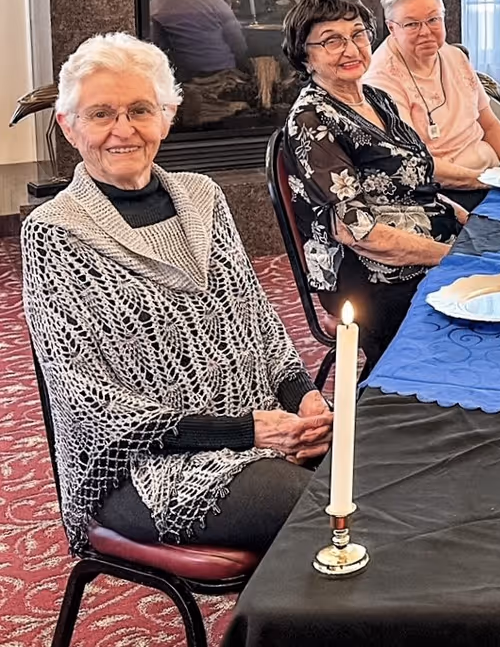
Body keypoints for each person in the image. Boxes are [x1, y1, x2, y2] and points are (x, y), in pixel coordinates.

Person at [21, 33, 331, 554]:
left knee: (386, 470)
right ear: (68, 125)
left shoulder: (203, 197)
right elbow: (93, 408)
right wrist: (247, 432)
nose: (123, 130)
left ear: (167, 116)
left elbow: (261, 324)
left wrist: (306, 398)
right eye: (100, 114)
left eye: (141, 109)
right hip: (143, 471)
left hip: (264, 430)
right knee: (330, 509)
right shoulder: (55, 233)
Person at [281, 0, 465, 371]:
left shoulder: (376, 98)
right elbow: (360, 234)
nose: (351, 48)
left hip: (427, 247)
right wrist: (458, 257)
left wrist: (468, 221)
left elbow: (418, 172)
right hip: (371, 279)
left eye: (358, 34)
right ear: (305, 56)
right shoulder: (311, 121)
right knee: (495, 299)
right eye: (332, 40)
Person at [365, 0, 500, 211]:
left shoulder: (454, 57)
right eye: (412, 24)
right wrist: (489, 182)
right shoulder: (380, 80)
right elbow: (415, 162)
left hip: (490, 176)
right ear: (392, 28)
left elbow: (490, 125)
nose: (425, 31)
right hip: (443, 192)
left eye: (433, 19)